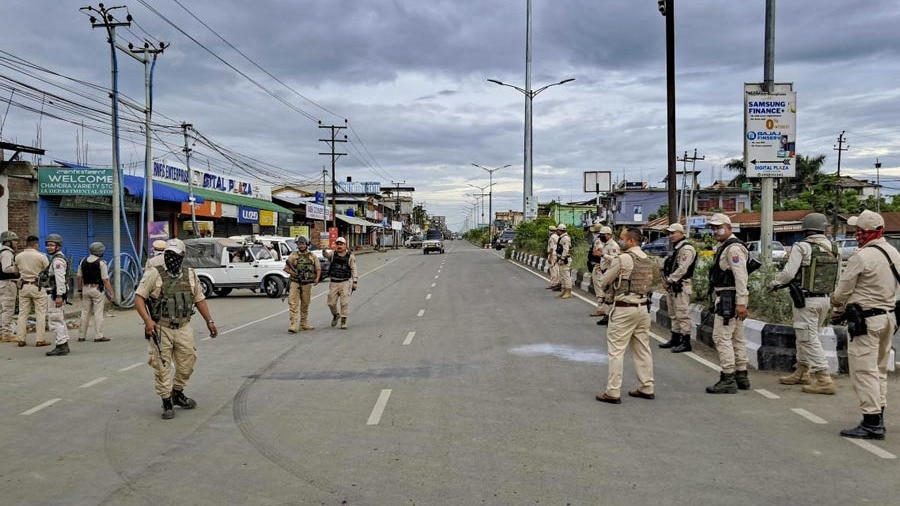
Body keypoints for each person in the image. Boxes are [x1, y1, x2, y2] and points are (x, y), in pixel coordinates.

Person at [832, 210, 900, 440]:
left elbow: (843, 290)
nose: (857, 234)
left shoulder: (861, 257)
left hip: (866, 321)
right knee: (879, 369)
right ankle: (878, 413)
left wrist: (837, 307)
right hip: (889, 317)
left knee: (864, 370)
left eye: (859, 231)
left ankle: (871, 422)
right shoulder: (894, 253)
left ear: (870, 232)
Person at [134, 238, 218, 420]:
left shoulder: (190, 274)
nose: (172, 258)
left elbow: (199, 299)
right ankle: (166, 401)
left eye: (176, 255)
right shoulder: (154, 273)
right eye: (169, 255)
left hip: (183, 327)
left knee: (188, 362)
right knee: (161, 366)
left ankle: (177, 392)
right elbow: (139, 298)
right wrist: (148, 321)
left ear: (183, 256)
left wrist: (209, 321)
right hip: (161, 327)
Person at [770, 212, 838, 394]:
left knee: (808, 339)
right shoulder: (833, 246)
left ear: (806, 230)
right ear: (823, 229)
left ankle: (824, 379)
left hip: (806, 300)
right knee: (806, 336)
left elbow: (789, 273)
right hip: (824, 300)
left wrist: (774, 283)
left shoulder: (802, 247)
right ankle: (802, 371)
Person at [595, 228, 655, 404]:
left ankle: (613, 391)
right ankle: (647, 386)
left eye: (622, 239)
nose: (620, 242)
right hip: (643, 308)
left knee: (616, 351)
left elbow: (604, 280)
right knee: (643, 349)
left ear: (631, 241)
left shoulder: (624, 259)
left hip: (624, 308)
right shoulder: (646, 259)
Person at [705, 213, 752, 394]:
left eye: (719, 227)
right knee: (736, 338)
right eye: (713, 228)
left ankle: (728, 377)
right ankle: (741, 375)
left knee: (721, 337)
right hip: (730, 297)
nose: (715, 231)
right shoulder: (725, 246)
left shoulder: (733, 249)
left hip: (729, 298)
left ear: (729, 227)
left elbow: (741, 277)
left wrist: (741, 302)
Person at [659, 223, 697, 353]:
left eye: (673, 233)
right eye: (669, 233)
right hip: (673, 286)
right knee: (673, 314)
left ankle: (686, 341)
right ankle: (675, 338)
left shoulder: (686, 249)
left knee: (682, 314)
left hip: (681, 285)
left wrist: (670, 280)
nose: (670, 236)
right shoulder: (676, 248)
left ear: (681, 233)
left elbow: (683, 268)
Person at [14, 235, 49, 347]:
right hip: (37, 286)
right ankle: (40, 339)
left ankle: (21, 339)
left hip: (24, 286)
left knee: (22, 313)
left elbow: (16, 272)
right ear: (35, 244)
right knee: (40, 313)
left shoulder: (18, 256)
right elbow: (48, 270)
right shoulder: (41, 256)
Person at [77, 242, 115, 343]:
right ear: (100, 251)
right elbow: (105, 280)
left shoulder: (82, 261)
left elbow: (79, 277)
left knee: (85, 313)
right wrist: (111, 292)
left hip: (85, 289)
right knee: (98, 313)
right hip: (97, 289)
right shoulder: (101, 263)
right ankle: (98, 335)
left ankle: (81, 335)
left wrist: (80, 290)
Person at [284, 236, 321, 332]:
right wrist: (294, 273)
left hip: (306, 283)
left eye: (302, 243)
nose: (300, 246)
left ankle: (303, 323)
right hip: (295, 282)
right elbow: (286, 268)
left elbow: (318, 268)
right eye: (299, 244)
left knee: (305, 303)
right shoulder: (293, 255)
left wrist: (317, 278)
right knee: (293, 303)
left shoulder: (312, 256)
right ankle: (293, 324)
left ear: (307, 244)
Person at [44, 234, 71, 356]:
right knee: (60, 319)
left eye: (51, 245)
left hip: (55, 293)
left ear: (58, 246)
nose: (48, 247)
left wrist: (59, 295)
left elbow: (60, 279)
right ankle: (64, 343)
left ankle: (61, 345)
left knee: (55, 319)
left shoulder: (57, 260)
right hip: (56, 292)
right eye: (47, 245)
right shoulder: (56, 258)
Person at [325, 237, 357, 329]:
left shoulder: (350, 256)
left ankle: (343, 321)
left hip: (345, 282)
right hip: (334, 282)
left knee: (344, 303)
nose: (339, 246)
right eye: (337, 244)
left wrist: (355, 281)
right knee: (331, 303)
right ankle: (336, 315)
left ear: (345, 245)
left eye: (341, 244)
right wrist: (324, 250)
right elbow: (326, 255)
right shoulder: (332, 254)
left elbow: (353, 269)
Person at [594, 226, 620, 325]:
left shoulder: (613, 245)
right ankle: (607, 315)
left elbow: (615, 260)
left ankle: (609, 316)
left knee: (609, 295)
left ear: (609, 235)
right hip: (604, 271)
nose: (601, 236)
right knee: (607, 294)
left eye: (603, 235)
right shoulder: (606, 244)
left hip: (611, 272)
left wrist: (602, 255)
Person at [0, 231, 20, 342]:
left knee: (3, 309)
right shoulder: (7, 253)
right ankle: (6, 334)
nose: (16, 243)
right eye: (14, 240)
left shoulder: (3, 252)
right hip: (7, 283)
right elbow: (6, 268)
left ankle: (2, 332)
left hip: (3, 283)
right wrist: (18, 268)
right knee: (7, 309)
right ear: (7, 242)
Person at [555, 224, 573, 299]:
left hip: (565, 259)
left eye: (557, 230)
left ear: (561, 230)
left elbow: (566, 249)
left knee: (566, 276)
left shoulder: (565, 238)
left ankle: (568, 291)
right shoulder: (561, 237)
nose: (557, 231)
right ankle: (563, 290)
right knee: (562, 276)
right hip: (561, 259)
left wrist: (562, 259)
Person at [546, 225, 560, 290]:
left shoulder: (552, 237)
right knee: (557, 269)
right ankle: (557, 283)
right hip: (557, 255)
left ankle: (553, 284)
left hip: (553, 255)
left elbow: (551, 248)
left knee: (553, 269)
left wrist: (550, 257)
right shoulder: (557, 236)